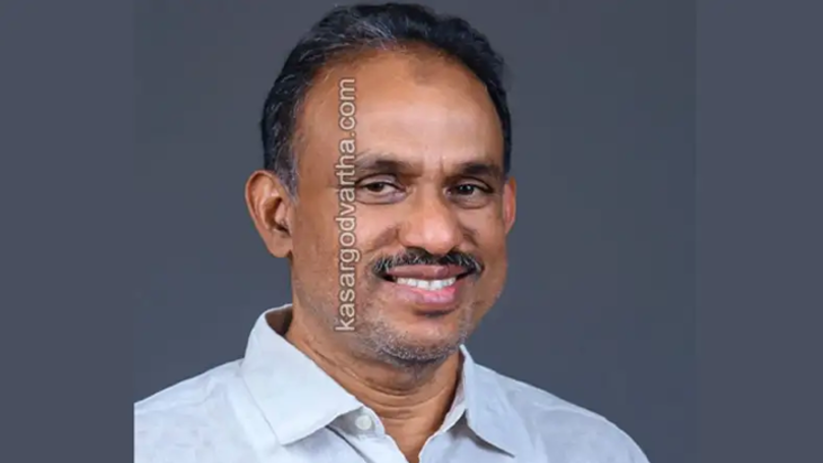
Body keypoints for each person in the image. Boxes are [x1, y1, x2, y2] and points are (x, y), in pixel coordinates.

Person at [134, 3, 650, 462]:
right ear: (276, 214)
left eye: (468, 188)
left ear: (507, 210)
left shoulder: (592, 452)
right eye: (379, 185)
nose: (438, 234)